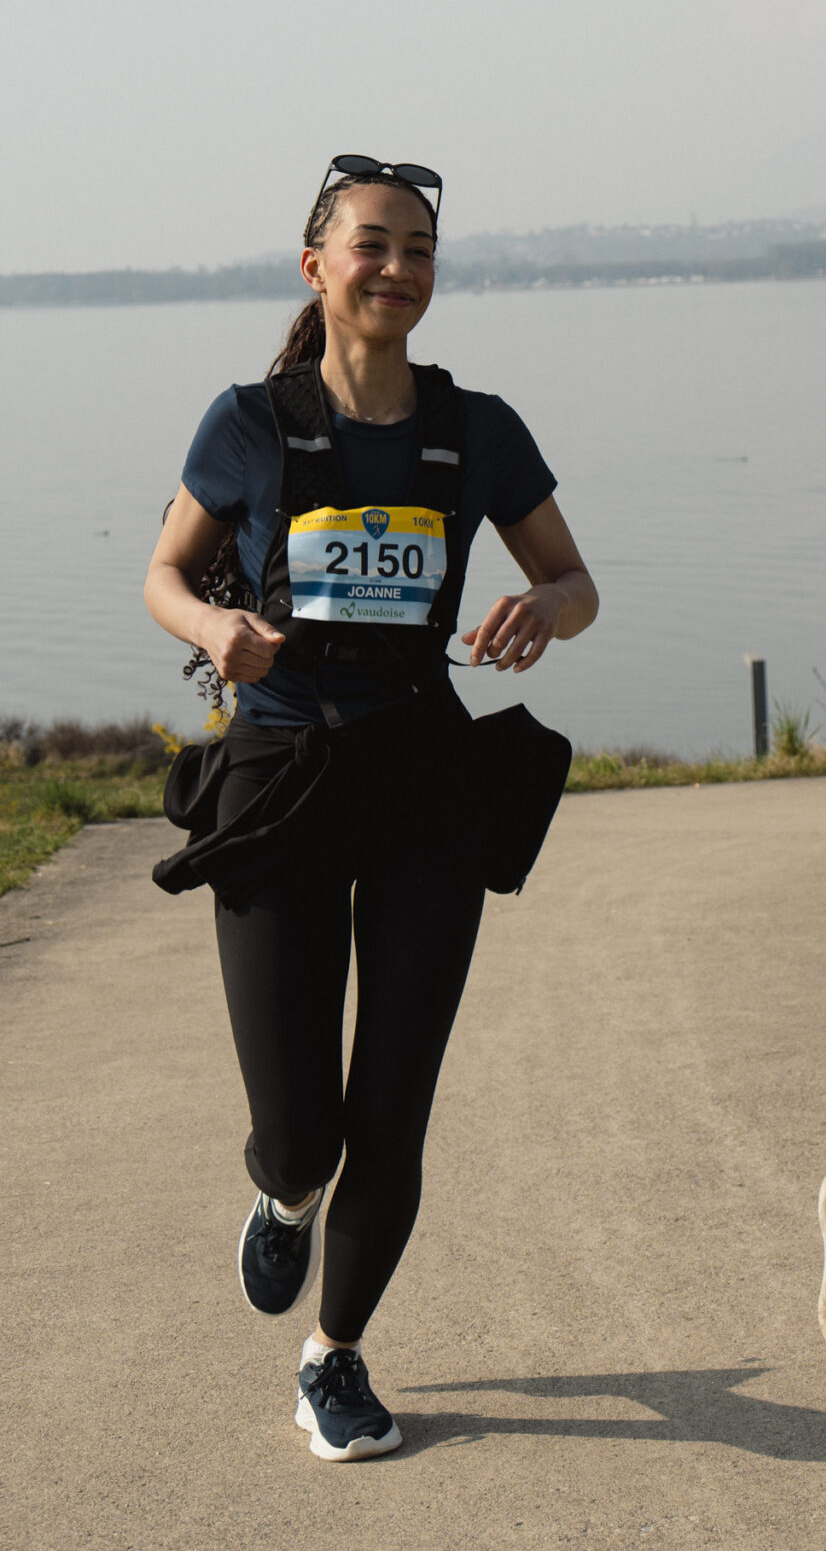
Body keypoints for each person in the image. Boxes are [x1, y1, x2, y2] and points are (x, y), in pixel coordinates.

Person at [144, 157, 598, 1463]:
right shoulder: (248, 423)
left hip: (423, 782)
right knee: (303, 1132)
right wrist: (214, 628)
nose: (398, 267)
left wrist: (543, 607)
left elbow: (576, 582)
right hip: (279, 779)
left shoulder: (478, 429)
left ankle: (332, 1355)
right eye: (372, 244)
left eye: (420, 248)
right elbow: (167, 573)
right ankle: (285, 1194)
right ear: (317, 266)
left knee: (392, 1105)